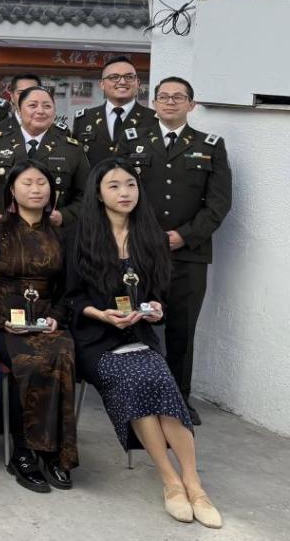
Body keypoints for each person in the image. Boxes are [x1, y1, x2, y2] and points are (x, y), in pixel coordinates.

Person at [65, 160, 221, 529]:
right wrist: (102, 314)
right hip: (95, 338)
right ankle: (169, 479)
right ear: (98, 193)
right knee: (134, 381)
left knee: (161, 379)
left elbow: (157, 295)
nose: (124, 193)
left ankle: (193, 483)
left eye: (130, 185)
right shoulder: (77, 236)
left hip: (138, 335)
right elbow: (69, 298)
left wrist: (154, 310)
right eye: (114, 186)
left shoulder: (151, 236)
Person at [124, 77, 231, 425]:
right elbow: (120, 194)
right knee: (137, 324)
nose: (170, 102)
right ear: (154, 103)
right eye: (164, 96)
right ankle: (139, 398)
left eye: (178, 97)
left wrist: (184, 236)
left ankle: (178, 400)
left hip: (189, 255)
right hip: (141, 251)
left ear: (191, 104)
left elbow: (219, 203)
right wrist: (145, 236)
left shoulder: (210, 146)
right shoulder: (133, 142)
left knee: (182, 331)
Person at [0, 162, 77, 492]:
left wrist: (57, 317)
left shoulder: (62, 235)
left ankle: (53, 452)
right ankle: (23, 451)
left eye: (42, 183)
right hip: (3, 320)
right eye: (27, 183)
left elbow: (70, 287)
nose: (36, 189)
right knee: (30, 361)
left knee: (62, 355)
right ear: (12, 189)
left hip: (47, 318)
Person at [0, 85, 89, 226]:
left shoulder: (71, 149)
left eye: (47, 106)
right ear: (19, 110)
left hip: (52, 231)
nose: (40, 111)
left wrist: (63, 216)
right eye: (32, 105)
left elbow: (85, 193)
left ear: (54, 112)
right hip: (3, 229)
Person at [72, 56, 158, 169]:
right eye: (114, 77)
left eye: (129, 77)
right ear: (102, 84)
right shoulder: (84, 119)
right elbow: (75, 161)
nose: (122, 82)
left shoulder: (153, 119)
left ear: (138, 83)